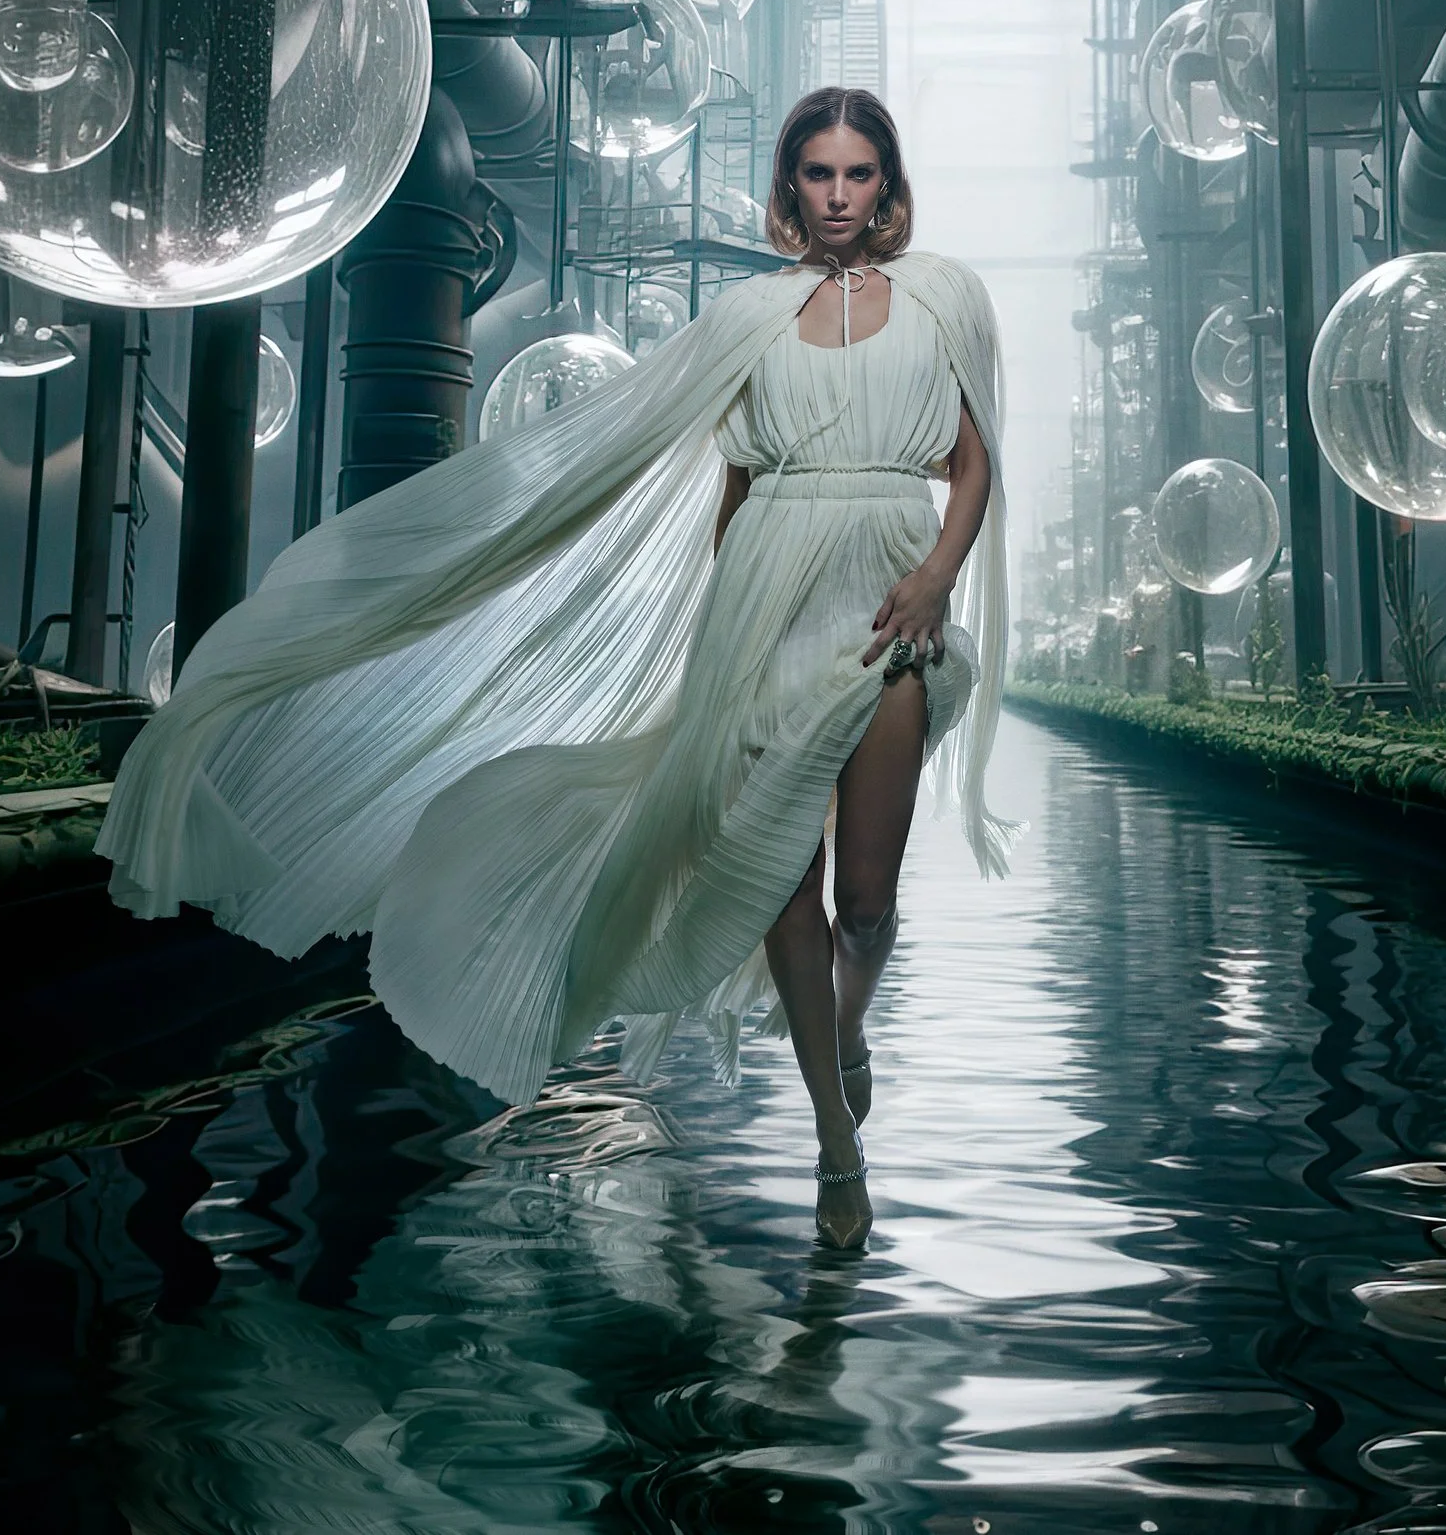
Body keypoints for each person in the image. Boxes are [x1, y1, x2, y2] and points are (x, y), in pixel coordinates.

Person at [97, 87, 1011, 1253]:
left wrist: (937, 574)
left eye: (859, 174)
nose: (838, 197)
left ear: (888, 183)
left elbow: (975, 463)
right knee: (785, 876)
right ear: (791, 186)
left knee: (869, 901)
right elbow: (727, 498)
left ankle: (849, 1029)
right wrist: (714, 636)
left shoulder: (943, 299)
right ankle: (837, 1137)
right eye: (818, 174)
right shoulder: (747, 316)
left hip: (893, 598)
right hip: (765, 603)